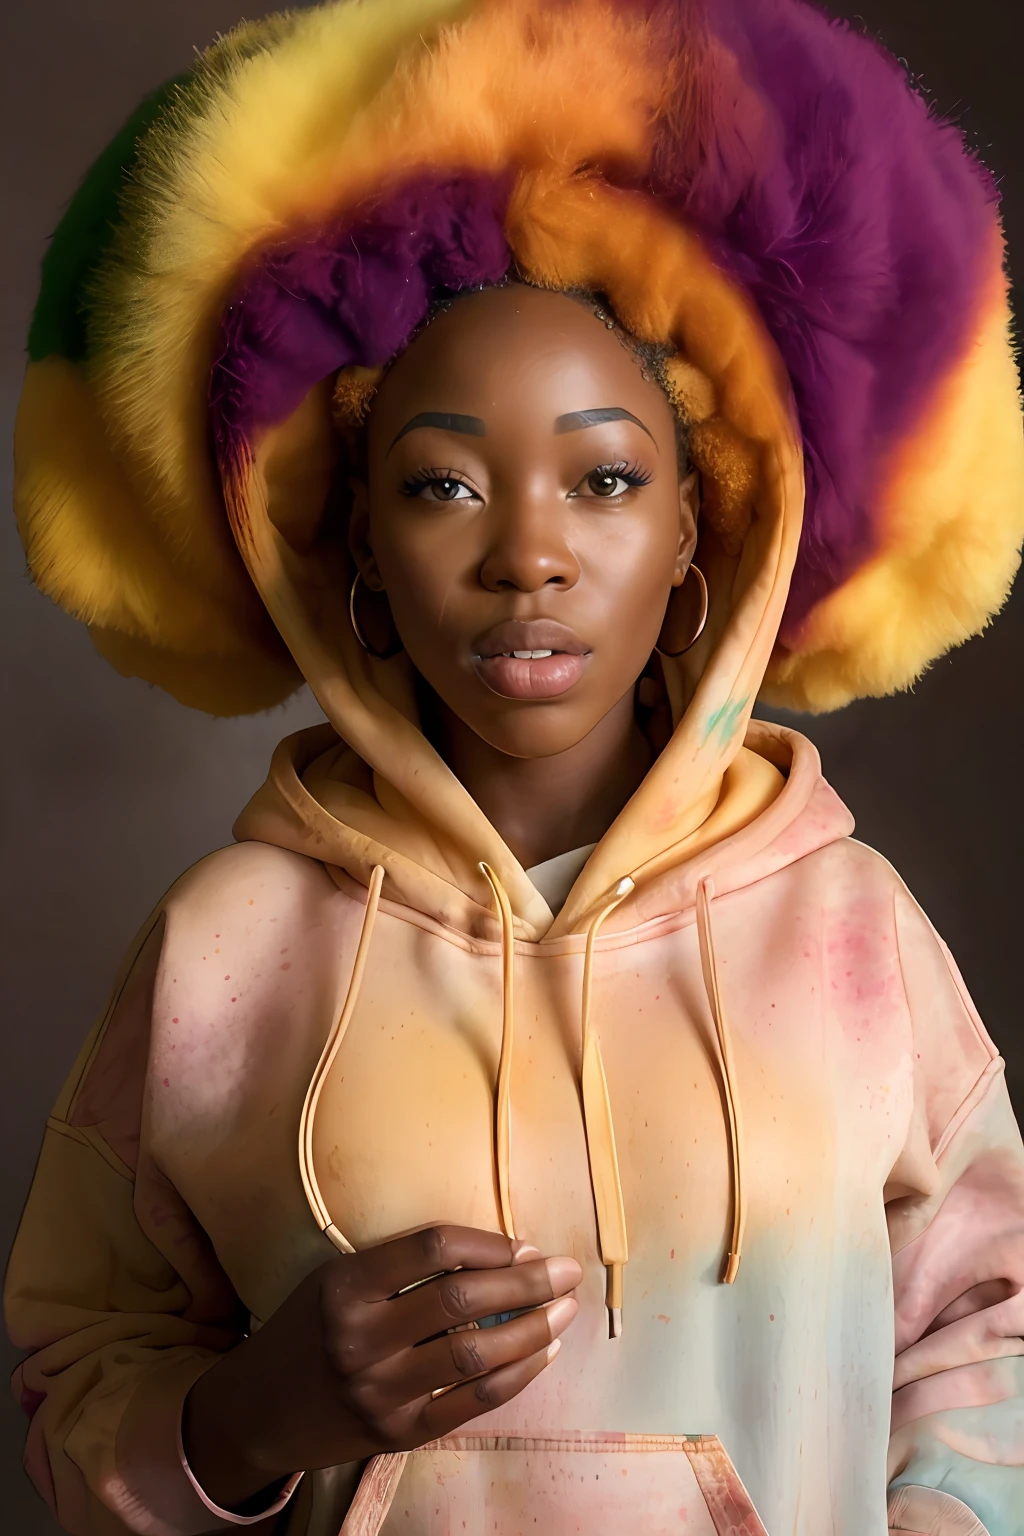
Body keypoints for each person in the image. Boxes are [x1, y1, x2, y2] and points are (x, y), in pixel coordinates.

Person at [7, 0, 1024, 1532]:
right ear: (357, 543)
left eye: (606, 478)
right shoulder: (223, 947)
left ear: (697, 527)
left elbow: (993, 1330)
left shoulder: (853, 932)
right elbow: (80, 1366)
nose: (528, 554)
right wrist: (248, 1417)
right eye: (442, 485)